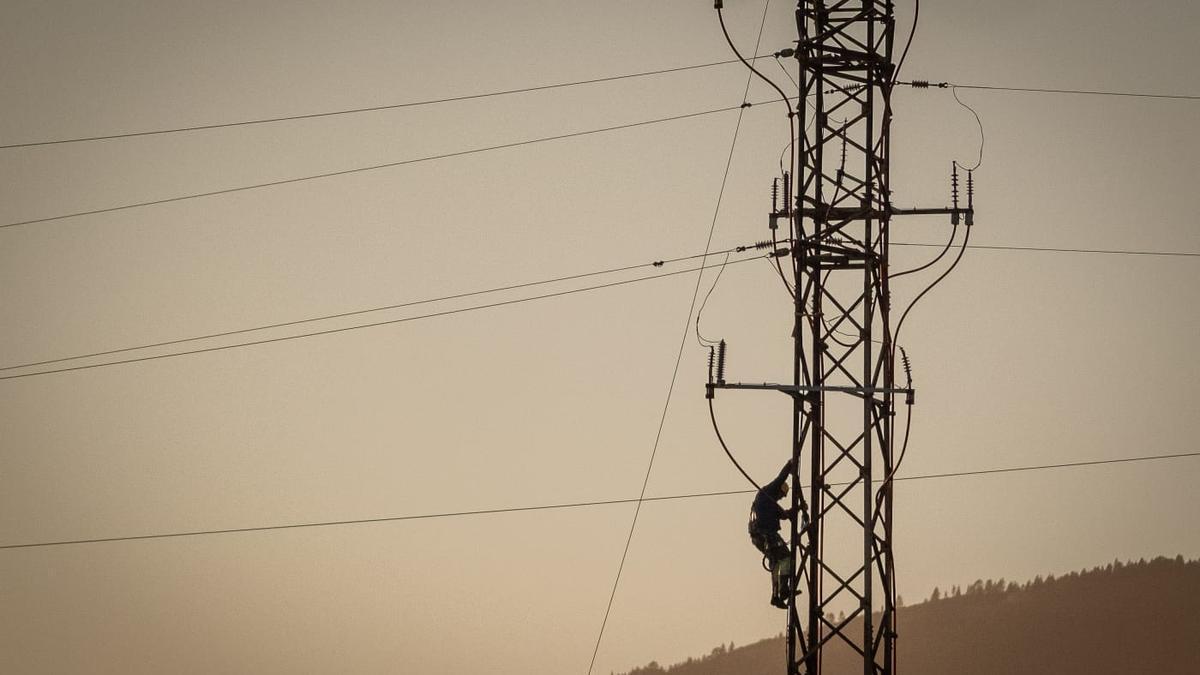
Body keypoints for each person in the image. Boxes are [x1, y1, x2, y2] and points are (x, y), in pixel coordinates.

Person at [748, 460, 804, 609]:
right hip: (765, 533)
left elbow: (784, 515)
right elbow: (781, 478)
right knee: (786, 558)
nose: (781, 498)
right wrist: (789, 465)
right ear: (778, 490)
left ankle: (776, 596)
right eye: (781, 495)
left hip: (759, 536)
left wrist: (798, 508)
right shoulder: (767, 493)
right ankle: (783, 590)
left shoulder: (768, 502)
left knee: (776, 562)